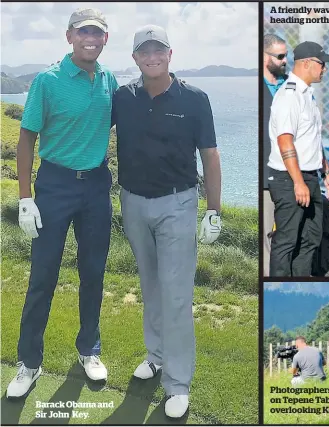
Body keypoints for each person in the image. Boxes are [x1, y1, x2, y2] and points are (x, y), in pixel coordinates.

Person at [7, 7, 119, 398]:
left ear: (106, 39)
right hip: (54, 186)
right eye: (84, 31)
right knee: (43, 278)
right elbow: (26, 139)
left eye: (98, 33)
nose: (91, 38)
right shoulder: (47, 81)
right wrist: (25, 198)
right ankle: (29, 362)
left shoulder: (108, 79)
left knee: (93, 274)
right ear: (69, 36)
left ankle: (89, 349)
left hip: (95, 188)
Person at [112, 25, 222, 418]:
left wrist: (213, 209)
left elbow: (210, 155)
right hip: (133, 202)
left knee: (175, 294)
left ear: (170, 55)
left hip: (177, 204)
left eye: (159, 51)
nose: (152, 57)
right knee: (151, 284)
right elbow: (88, 126)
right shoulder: (122, 98)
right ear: (136, 59)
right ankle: (156, 355)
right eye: (145, 52)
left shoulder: (195, 98)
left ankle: (177, 383)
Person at [267, 41, 329, 277]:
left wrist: (326, 172)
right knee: (287, 240)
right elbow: (285, 141)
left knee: (311, 237)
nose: (324, 69)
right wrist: (298, 182)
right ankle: (278, 290)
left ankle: (301, 279)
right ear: (306, 63)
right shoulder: (289, 96)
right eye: (322, 64)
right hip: (289, 179)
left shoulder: (307, 95)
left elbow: (312, 141)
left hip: (309, 177)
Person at [262, 34, 289, 277]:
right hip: (266, 181)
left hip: (293, 179)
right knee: (265, 239)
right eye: (280, 57)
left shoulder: (293, 87)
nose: (285, 61)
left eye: (286, 56)